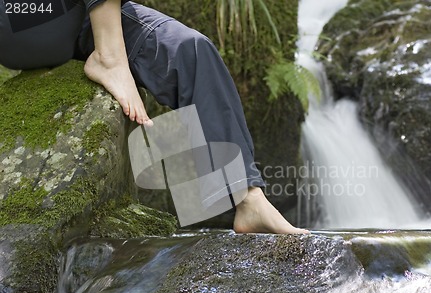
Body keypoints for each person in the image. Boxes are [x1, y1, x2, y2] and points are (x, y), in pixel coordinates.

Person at [0, 0, 309, 234]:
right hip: (22, 15)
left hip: (73, 17)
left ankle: (247, 199)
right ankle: (110, 57)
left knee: (192, 50)